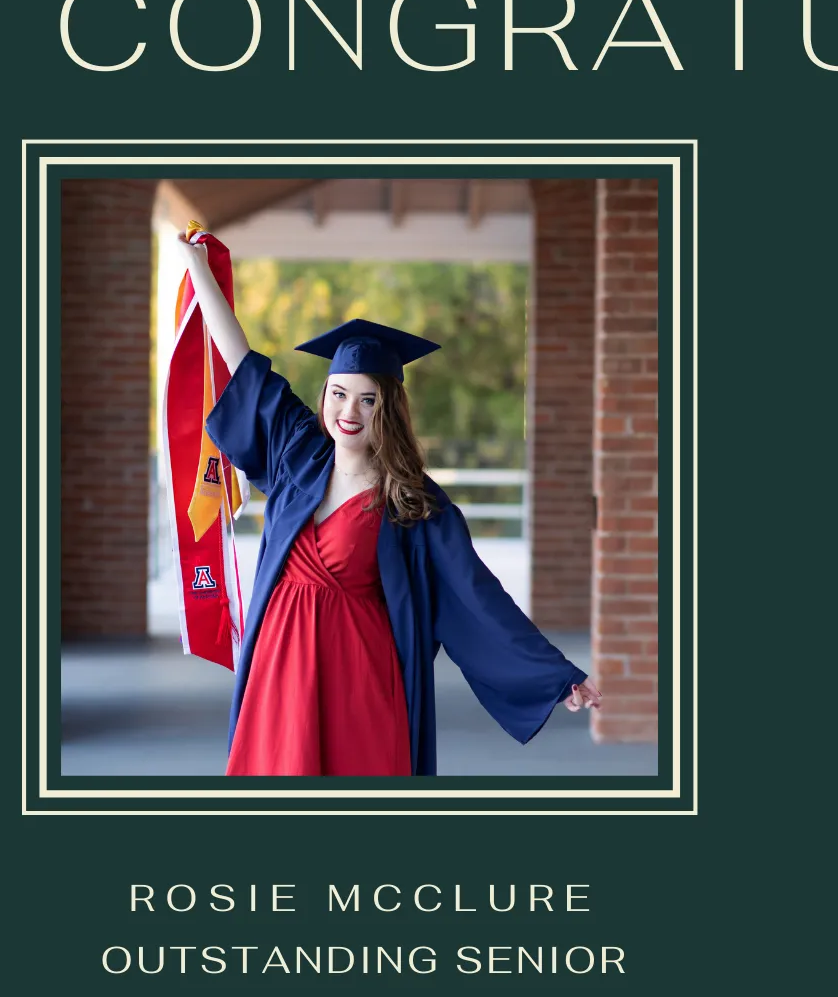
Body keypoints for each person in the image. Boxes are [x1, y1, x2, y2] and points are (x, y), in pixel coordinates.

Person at [171, 232, 602, 777]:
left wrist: (554, 675)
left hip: (360, 673)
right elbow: (242, 362)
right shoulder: (296, 452)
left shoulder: (412, 502)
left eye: (368, 399)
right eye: (339, 393)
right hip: (279, 664)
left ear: (388, 409)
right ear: (324, 396)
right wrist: (197, 268)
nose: (350, 410)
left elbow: (476, 593)